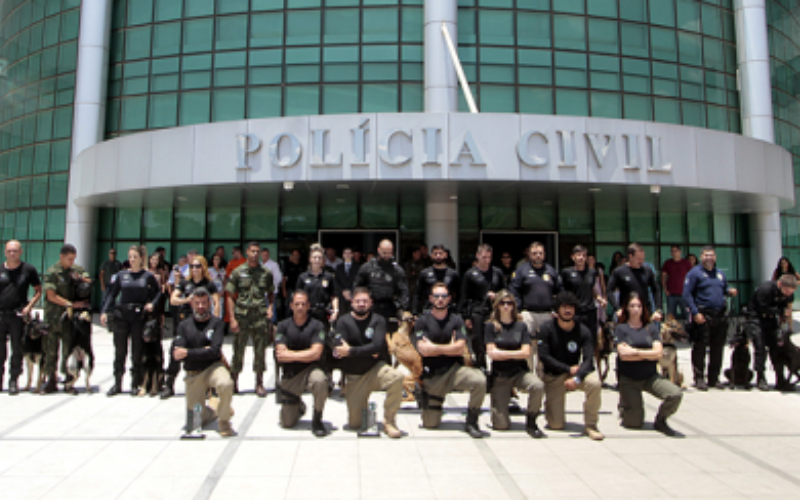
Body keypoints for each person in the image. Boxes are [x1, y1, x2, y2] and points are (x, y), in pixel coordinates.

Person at [413, 283, 487, 438]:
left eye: (444, 296)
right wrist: (449, 347)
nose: (440, 299)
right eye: (437, 296)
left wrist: (435, 347)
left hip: (455, 371)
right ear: (430, 298)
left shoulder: (457, 320)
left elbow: (460, 348)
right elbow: (423, 350)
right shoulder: (422, 320)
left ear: (449, 299)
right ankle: (424, 394)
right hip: (433, 376)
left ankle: (472, 422)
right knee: (430, 424)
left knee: (479, 380)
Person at [332, 287, 403, 438]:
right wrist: (368, 351)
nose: (361, 304)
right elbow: (340, 348)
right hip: (355, 376)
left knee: (396, 377)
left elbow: (377, 346)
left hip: (375, 370)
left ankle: (389, 421)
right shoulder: (343, 321)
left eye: (365, 301)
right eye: (358, 301)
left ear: (371, 303)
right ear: (352, 303)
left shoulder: (378, 320)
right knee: (355, 424)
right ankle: (363, 411)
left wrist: (351, 351)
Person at [538, 291, 603, 440]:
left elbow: (588, 360)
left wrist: (577, 378)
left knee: (594, 383)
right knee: (556, 425)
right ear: (558, 309)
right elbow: (544, 357)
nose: (568, 311)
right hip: (554, 375)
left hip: (575, 374)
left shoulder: (583, 330)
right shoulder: (547, 328)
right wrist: (567, 369)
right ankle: (552, 406)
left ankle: (591, 425)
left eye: (571, 307)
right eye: (564, 307)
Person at [615, 293, 683, 436]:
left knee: (675, 393)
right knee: (634, 423)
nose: (636, 309)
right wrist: (647, 354)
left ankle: (661, 420)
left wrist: (635, 352)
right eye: (632, 306)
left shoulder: (651, 328)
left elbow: (658, 353)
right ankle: (625, 405)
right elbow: (623, 356)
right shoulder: (621, 329)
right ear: (626, 308)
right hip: (629, 378)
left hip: (650, 376)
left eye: (639, 306)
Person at [172, 287, 236, 437]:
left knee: (226, 383)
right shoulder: (184, 326)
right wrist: (202, 351)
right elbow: (177, 353)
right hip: (193, 372)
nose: (200, 307)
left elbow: (214, 351)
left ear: (209, 304)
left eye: (204, 303)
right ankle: (213, 408)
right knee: (194, 423)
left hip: (213, 367)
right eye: (197, 303)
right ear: (192, 304)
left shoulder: (217, 323)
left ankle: (224, 420)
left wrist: (188, 352)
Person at [101, 245, 161, 397]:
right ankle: (117, 383)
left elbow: (159, 292)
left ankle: (135, 383)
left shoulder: (147, 276)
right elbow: (112, 294)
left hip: (138, 317)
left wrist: (152, 304)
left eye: (135, 257)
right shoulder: (121, 275)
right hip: (122, 316)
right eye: (130, 257)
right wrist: (104, 311)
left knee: (137, 352)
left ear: (141, 258)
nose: (132, 259)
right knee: (120, 351)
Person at [485, 290, 545, 437]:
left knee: (538, 385)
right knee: (501, 426)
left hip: (519, 372)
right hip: (500, 376)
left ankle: (531, 420)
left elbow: (526, 352)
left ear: (513, 306)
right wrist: (513, 354)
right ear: (497, 306)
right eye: (502, 303)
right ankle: (500, 408)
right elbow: (491, 353)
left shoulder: (521, 326)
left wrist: (502, 353)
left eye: (509, 303)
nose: (506, 306)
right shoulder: (491, 326)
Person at [163, 256, 221, 399]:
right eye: (192, 266)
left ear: (203, 267)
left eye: (198, 266)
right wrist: (186, 299)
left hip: (204, 323)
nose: (195, 269)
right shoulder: (185, 283)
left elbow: (217, 303)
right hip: (186, 322)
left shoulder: (209, 284)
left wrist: (215, 322)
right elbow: (173, 299)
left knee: (208, 353)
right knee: (175, 351)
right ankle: (169, 384)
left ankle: (211, 386)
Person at [682, 246, 738, 391]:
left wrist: (729, 291)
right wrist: (695, 313)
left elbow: (722, 289)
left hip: (719, 316)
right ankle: (699, 378)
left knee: (717, 348)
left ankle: (714, 378)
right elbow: (687, 295)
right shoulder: (695, 273)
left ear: (715, 257)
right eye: (706, 255)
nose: (709, 258)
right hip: (702, 315)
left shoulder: (720, 274)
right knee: (700, 347)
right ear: (701, 257)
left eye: (712, 255)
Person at [275, 290, 329, 437]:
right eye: (297, 304)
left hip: (312, 369)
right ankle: (298, 406)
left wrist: (290, 355)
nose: (300, 307)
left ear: (308, 306)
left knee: (320, 381)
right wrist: (306, 355)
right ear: (291, 305)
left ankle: (317, 419)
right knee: (287, 423)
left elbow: (316, 353)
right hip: (291, 374)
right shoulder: (283, 326)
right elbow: (280, 354)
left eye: (303, 304)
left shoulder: (317, 326)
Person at [227, 242, 274, 396]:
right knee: (238, 350)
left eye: (257, 252)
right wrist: (232, 319)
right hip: (243, 316)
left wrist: (270, 308)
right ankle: (234, 381)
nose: (254, 254)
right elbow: (230, 296)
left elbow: (271, 292)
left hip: (259, 316)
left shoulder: (266, 273)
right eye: (252, 251)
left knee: (260, 351)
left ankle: (259, 383)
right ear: (247, 252)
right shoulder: (238, 272)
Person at [42, 244, 91, 394]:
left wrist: (81, 278)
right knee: (50, 350)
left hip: (69, 320)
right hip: (53, 318)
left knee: (68, 351)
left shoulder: (75, 270)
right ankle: (51, 380)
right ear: (61, 256)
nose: (72, 262)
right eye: (69, 259)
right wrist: (71, 304)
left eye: (73, 259)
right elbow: (51, 295)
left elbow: (89, 282)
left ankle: (69, 381)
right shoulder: (52, 272)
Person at [510, 242, 562, 372]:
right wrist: (518, 311)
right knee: (527, 346)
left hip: (548, 314)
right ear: (529, 254)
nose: (537, 256)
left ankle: (543, 376)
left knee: (545, 346)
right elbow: (514, 292)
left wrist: (557, 310)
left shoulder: (551, 271)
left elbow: (560, 291)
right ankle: (528, 375)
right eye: (534, 253)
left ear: (544, 254)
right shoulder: (522, 271)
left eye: (540, 253)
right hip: (528, 314)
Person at [0, 240, 42, 394]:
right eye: (9, 251)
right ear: (5, 252)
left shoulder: (28, 269)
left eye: (15, 251)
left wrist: (28, 307)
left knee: (17, 350)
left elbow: (38, 290)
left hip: (18, 316)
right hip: (1, 315)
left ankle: (13, 381)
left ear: (21, 252)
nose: (12, 253)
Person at [746, 274, 796, 391]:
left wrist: (784, 317)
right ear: (779, 284)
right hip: (757, 319)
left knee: (777, 350)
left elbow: (785, 307)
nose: (788, 294)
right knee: (760, 349)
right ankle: (761, 378)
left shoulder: (788, 294)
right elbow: (762, 307)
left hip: (771, 320)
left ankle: (780, 379)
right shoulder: (766, 289)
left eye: (791, 292)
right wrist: (780, 311)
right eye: (786, 291)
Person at [459, 244, 505, 370]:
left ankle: (497, 368)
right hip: (477, 310)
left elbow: (505, 292)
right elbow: (464, 296)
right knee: (478, 339)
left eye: (489, 257)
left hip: (494, 311)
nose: (486, 260)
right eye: (484, 257)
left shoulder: (497, 273)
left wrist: (496, 295)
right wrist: (466, 316)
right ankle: (480, 364)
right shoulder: (470, 274)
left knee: (496, 338)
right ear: (478, 256)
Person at [354, 239, 409, 335]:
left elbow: (404, 291)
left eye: (389, 253)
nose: (387, 256)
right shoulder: (367, 268)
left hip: (390, 308)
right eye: (384, 253)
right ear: (378, 250)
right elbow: (357, 288)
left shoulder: (397, 270)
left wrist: (401, 309)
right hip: (371, 309)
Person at [606, 243, 663, 322]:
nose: (641, 261)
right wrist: (617, 308)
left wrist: (658, 309)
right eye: (638, 259)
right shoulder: (619, 271)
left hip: (645, 314)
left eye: (642, 259)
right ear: (630, 256)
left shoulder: (647, 270)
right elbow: (609, 290)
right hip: (626, 314)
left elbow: (656, 289)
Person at [560, 245, 605, 343]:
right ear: (573, 257)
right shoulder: (566, 272)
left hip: (590, 311)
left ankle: (590, 358)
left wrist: (599, 298)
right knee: (573, 339)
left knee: (591, 339)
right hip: (575, 312)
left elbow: (591, 289)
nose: (581, 258)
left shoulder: (592, 273)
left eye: (584, 255)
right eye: (579, 255)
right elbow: (562, 292)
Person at [296, 246, 339, 330]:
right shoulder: (303, 277)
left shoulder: (328, 276)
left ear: (323, 260)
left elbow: (334, 295)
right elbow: (297, 297)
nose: (317, 260)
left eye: (319, 258)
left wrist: (335, 311)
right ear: (310, 259)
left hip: (323, 313)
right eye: (314, 257)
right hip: (307, 313)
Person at [413, 244, 460, 316]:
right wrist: (415, 312)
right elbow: (417, 294)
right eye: (435, 253)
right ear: (431, 255)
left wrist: (458, 311)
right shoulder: (424, 273)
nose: (438, 256)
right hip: (428, 311)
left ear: (445, 255)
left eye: (440, 253)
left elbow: (459, 295)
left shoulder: (453, 274)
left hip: (448, 312)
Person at [661, 246, 693, 320]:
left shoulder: (686, 263)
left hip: (683, 294)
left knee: (687, 315)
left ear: (680, 251)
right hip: (671, 294)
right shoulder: (667, 263)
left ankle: (688, 330)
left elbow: (692, 277)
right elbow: (663, 277)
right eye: (672, 251)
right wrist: (665, 289)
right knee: (671, 316)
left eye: (675, 251)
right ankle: (672, 331)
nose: (674, 253)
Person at [223, 247, 246, 326]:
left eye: (233, 252)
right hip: (232, 286)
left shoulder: (245, 262)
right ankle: (228, 323)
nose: (232, 254)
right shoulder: (231, 262)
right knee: (229, 306)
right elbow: (226, 275)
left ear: (238, 252)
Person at [334, 248, 360, 315]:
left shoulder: (358, 267)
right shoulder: (338, 267)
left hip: (353, 295)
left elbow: (358, 280)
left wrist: (351, 291)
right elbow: (336, 281)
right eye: (346, 253)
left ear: (352, 255)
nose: (347, 255)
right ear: (343, 255)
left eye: (349, 253)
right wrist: (343, 291)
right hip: (341, 296)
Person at [282, 249, 304, 314]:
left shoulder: (302, 265)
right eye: (294, 255)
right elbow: (284, 279)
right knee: (289, 306)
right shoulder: (288, 265)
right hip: (290, 289)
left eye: (297, 255)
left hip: (300, 289)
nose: (295, 256)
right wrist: (284, 290)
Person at [208, 254, 226, 318]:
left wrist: (223, 292)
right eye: (215, 259)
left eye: (218, 259)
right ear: (212, 260)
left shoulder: (222, 271)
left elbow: (224, 282)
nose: (216, 261)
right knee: (211, 310)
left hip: (220, 293)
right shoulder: (209, 270)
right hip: (212, 293)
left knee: (220, 310)